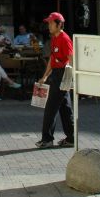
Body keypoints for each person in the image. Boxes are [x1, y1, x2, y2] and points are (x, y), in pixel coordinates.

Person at [35, 12, 74, 149]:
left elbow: (71, 57)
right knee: (65, 107)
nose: (49, 25)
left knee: (51, 107)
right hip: (57, 74)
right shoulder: (54, 38)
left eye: (51, 23)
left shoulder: (64, 38)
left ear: (59, 24)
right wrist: (45, 76)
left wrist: (71, 77)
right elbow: (52, 59)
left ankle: (47, 139)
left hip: (63, 74)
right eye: (49, 23)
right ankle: (71, 138)